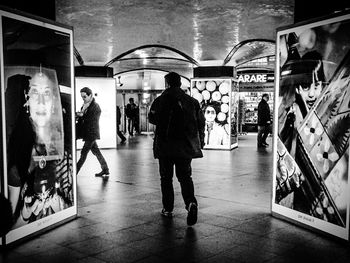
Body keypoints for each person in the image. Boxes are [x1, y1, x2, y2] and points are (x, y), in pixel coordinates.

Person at [6, 68, 72, 228]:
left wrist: (59, 204)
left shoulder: (62, 150)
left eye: (47, 93)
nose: (41, 101)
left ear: (53, 102)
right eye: (35, 92)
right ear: (27, 99)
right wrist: (26, 213)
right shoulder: (19, 152)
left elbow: (71, 202)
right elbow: (8, 227)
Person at [148, 72, 205, 226]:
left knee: (166, 178)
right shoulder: (192, 101)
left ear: (167, 84)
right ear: (180, 83)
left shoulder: (160, 100)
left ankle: (168, 208)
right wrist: (201, 141)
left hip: (165, 146)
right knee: (185, 177)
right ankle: (190, 203)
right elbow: (201, 122)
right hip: (185, 146)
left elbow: (151, 118)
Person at [76, 87, 109, 180]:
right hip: (88, 133)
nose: (83, 98)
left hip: (91, 133)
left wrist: (82, 115)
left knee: (84, 153)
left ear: (90, 95)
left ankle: (75, 171)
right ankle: (105, 169)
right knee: (96, 152)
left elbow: (92, 120)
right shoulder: (85, 105)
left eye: (84, 96)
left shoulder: (96, 106)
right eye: (82, 97)